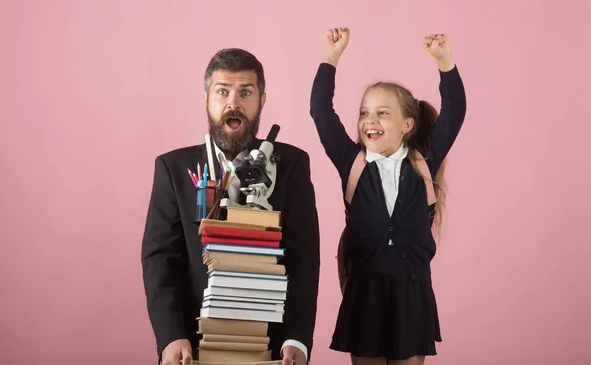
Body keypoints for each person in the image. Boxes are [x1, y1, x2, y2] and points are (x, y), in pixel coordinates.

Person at [142, 48, 320, 365]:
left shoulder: (291, 164)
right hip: (191, 348)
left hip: (272, 347)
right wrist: (170, 335)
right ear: (206, 97)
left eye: (245, 92)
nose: (232, 103)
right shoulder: (172, 167)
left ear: (262, 100)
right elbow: (160, 260)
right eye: (223, 91)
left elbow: (304, 258)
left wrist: (297, 339)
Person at [310, 28, 466, 364]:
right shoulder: (352, 163)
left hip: (412, 292)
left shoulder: (424, 160)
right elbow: (321, 112)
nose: (370, 120)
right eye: (365, 112)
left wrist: (444, 61)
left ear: (407, 124)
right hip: (366, 292)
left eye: (382, 112)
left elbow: (454, 113)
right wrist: (331, 57)